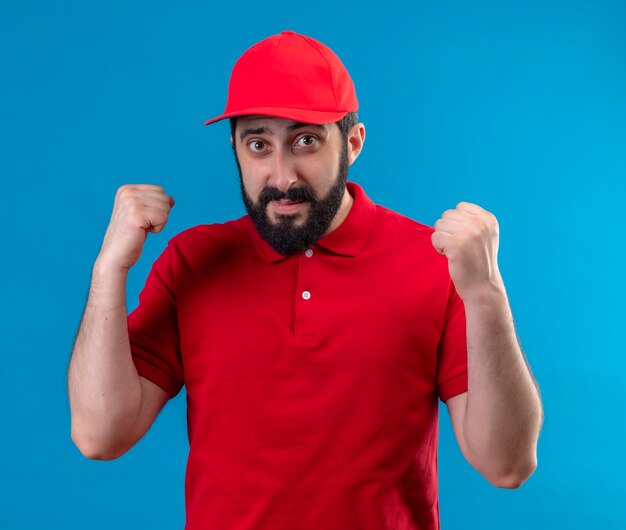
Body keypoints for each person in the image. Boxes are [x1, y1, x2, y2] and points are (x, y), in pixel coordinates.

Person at [68, 30, 543, 530]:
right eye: (258, 144)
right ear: (235, 147)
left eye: (306, 140)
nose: (281, 175)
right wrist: (108, 270)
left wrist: (487, 295)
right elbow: (100, 435)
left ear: (353, 143)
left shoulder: (435, 262)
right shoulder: (192, 261)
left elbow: (507, 465)